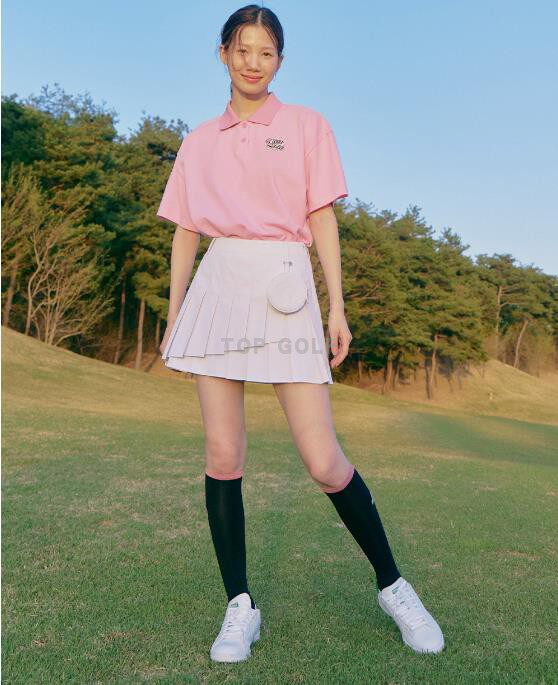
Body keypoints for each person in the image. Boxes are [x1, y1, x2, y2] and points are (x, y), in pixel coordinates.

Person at [156, 4, 445, 664]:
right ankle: (240, 605)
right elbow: (185, 231)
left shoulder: (308, 126)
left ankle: (394, 587)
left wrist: (336, 307)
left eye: (266, 52)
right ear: (223, 54)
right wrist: (175, 313)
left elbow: (321, 218)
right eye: (242, 49)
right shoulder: (198, 141)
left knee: (323, 459)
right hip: (220, 285)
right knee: (222, 454)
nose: (253, 62)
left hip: (286, 284)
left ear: (279, 61)